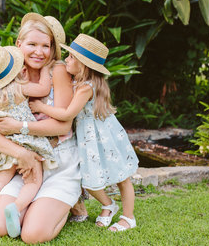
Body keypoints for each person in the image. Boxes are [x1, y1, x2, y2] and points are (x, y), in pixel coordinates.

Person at [0, 13, 82, 243]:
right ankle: (36, 206)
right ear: (19, 45)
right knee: (0, 228)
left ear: (53, 48)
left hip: (58, 164)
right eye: (32, 44)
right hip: (26, 166)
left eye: (46, 46)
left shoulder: (56, 71)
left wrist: (19, 126)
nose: (39, 52)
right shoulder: (10, 73)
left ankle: (66, 205)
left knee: (32, 235)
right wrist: (22, 154)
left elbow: (63, 124)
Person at [29, 33, 139, 232]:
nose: (66, 60)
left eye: (71, 57)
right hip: (89, 140)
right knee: (88, 179)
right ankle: (108, 205)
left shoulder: (86, 87)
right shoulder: (77, 82)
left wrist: (40, 107)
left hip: (103, 139)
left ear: (83, 64)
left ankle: (128, 218)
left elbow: (67, 113)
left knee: (122, 178)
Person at [0, 45, 57, 238]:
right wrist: (45, 67)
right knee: (34, 181)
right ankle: (15, 208)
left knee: (1, 180)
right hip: (26, 143)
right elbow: (44, 88)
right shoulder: (20, 88)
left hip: (5, 148)